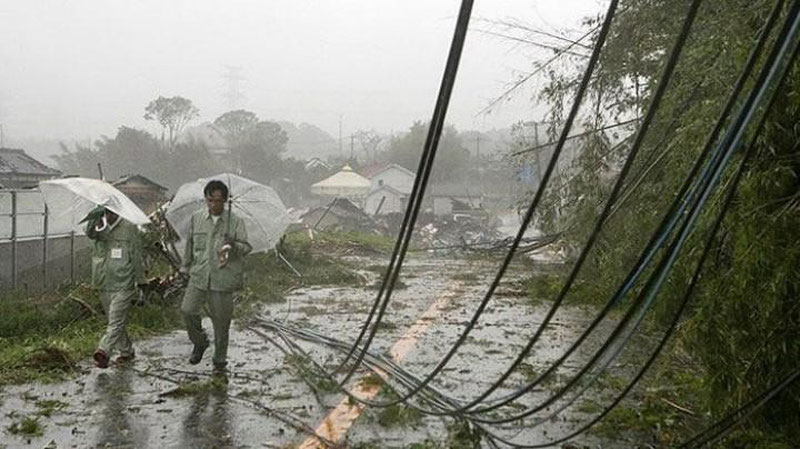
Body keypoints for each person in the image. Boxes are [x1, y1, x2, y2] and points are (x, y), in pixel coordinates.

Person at [180, 180, 251, 374]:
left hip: (223, 278)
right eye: (209, 200)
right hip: (199, 275)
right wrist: (185, 268)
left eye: (218, 201)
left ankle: (219, 361)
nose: (213, 205)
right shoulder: (196, 219)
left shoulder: (235, 222)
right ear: (205, 199)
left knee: (221, 323)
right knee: (187, 310)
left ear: (225, 200)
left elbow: (246, 247)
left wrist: (233, 245)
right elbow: (190, 245)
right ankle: (200, 342)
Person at [86, 206, 147, 369]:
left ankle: (103, 351)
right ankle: (126, 351)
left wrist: (141, 281)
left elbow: (135, 254)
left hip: (124, 282)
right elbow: (90, 234)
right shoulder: (100, 226)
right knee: (115, 321)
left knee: (115, 319)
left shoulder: (129, 228)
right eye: (106, 212)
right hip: (104, 280)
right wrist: (95, 219)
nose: (109, 215)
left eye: (112, 212)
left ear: (119, 211)